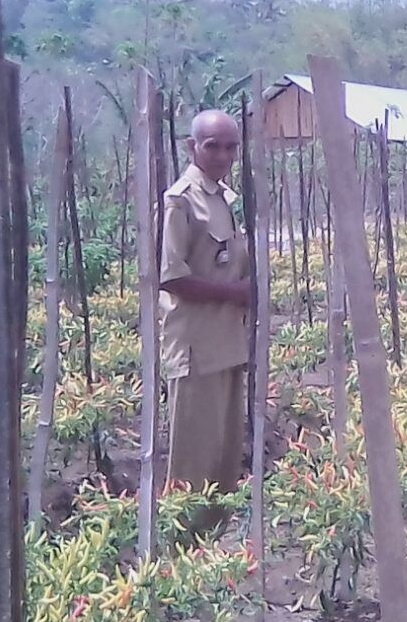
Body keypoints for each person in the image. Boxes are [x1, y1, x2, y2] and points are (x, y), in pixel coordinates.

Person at [158, 109, 252, 529]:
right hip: (196, 350)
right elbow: (172, 277)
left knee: (224, 465)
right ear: (191, 146)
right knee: (192, 467)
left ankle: (214, 561)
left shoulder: (224, 199)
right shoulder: (181, 200)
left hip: (228, 346)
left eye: (231, 146)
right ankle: (181, 555)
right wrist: (236, 294)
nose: (223, 155)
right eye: (213, 145)